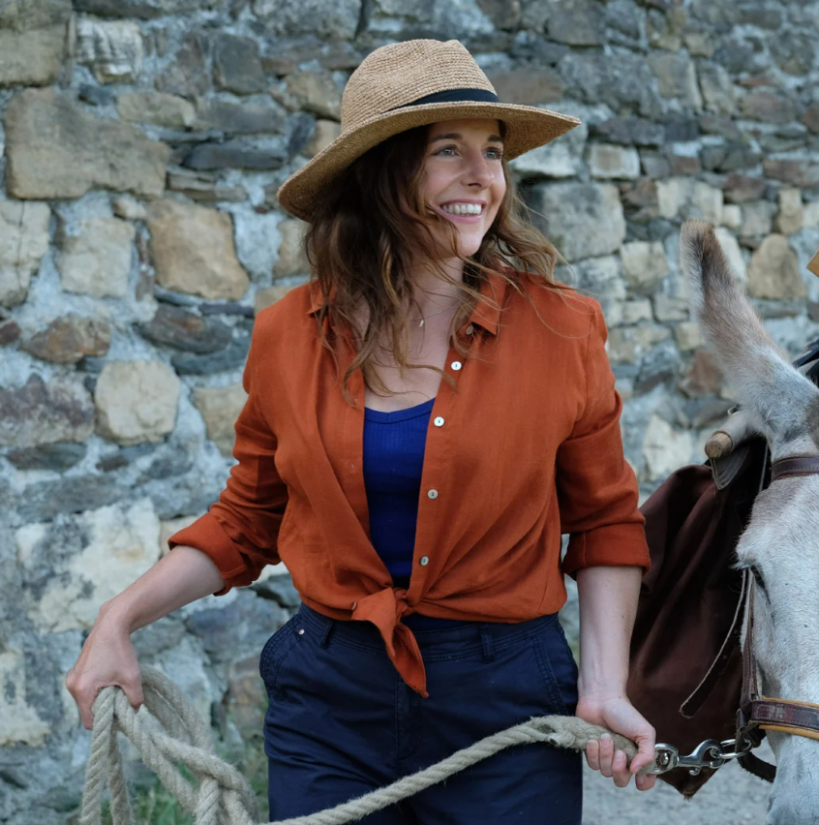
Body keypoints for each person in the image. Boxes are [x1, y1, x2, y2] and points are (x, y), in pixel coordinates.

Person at [65, 39, 657, 825]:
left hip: (507, 700)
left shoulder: (561, 327)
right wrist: (117, 620)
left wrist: (605, 684)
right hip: (330, 704)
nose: (483, 176)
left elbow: (606, 523)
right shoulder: (286, 334)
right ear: (379, 173)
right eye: (449, 151)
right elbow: (246, 523)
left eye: (492, 151)